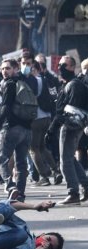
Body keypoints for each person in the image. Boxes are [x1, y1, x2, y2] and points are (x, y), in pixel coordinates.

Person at [0, 59, 35, 201]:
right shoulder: (26, 82)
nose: (4, 71)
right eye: (2, 69)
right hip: (27, 129)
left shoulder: (9, 84)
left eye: (7, 68)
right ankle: (20, 194)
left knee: (1, 160)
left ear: (16, 68)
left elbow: (4, 108)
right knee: (21, 164)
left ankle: (10, 187)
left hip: (11, 128)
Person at [53, 56, 88, 205]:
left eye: (64, 65)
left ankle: (72, 193)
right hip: (74, 125)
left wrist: (54, 126)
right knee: (70, 158)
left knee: (65, 160)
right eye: (59, 64)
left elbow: (70, 109)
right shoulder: (71, 83)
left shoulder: (74, 85)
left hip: (71, 126)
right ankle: (85, 187)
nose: (60, 68)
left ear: (72, 67)